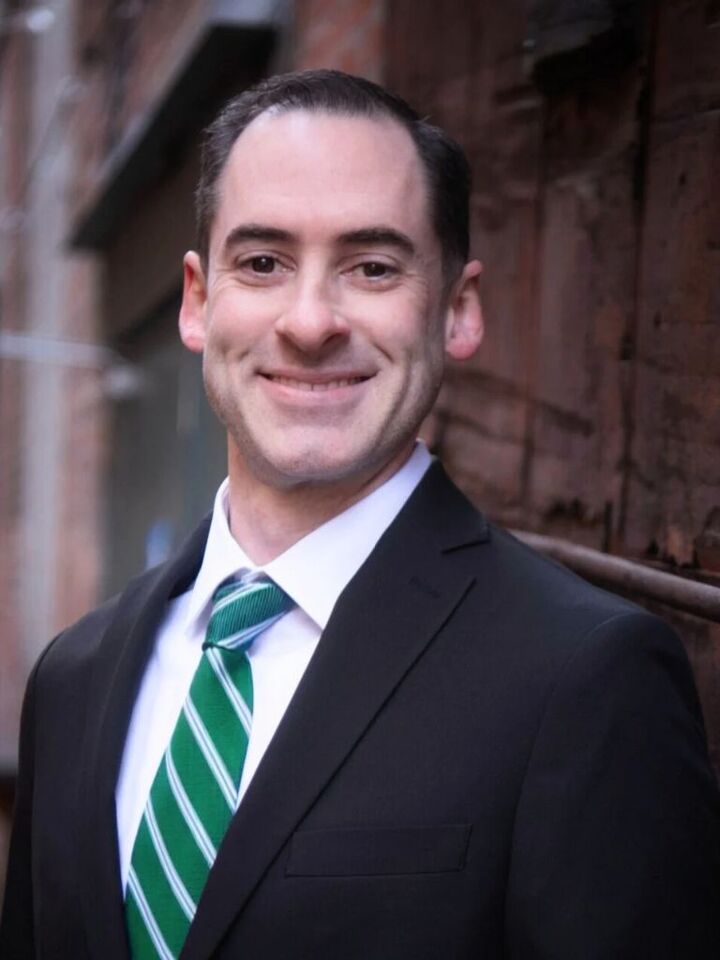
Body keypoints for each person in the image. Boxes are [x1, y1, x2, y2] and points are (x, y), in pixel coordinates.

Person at [1, 69, 718, 960]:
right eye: (263, 263)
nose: (310, 323)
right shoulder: (72, 679)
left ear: (456, 311)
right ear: (198, 301)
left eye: (372, 267)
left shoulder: (586, 678)